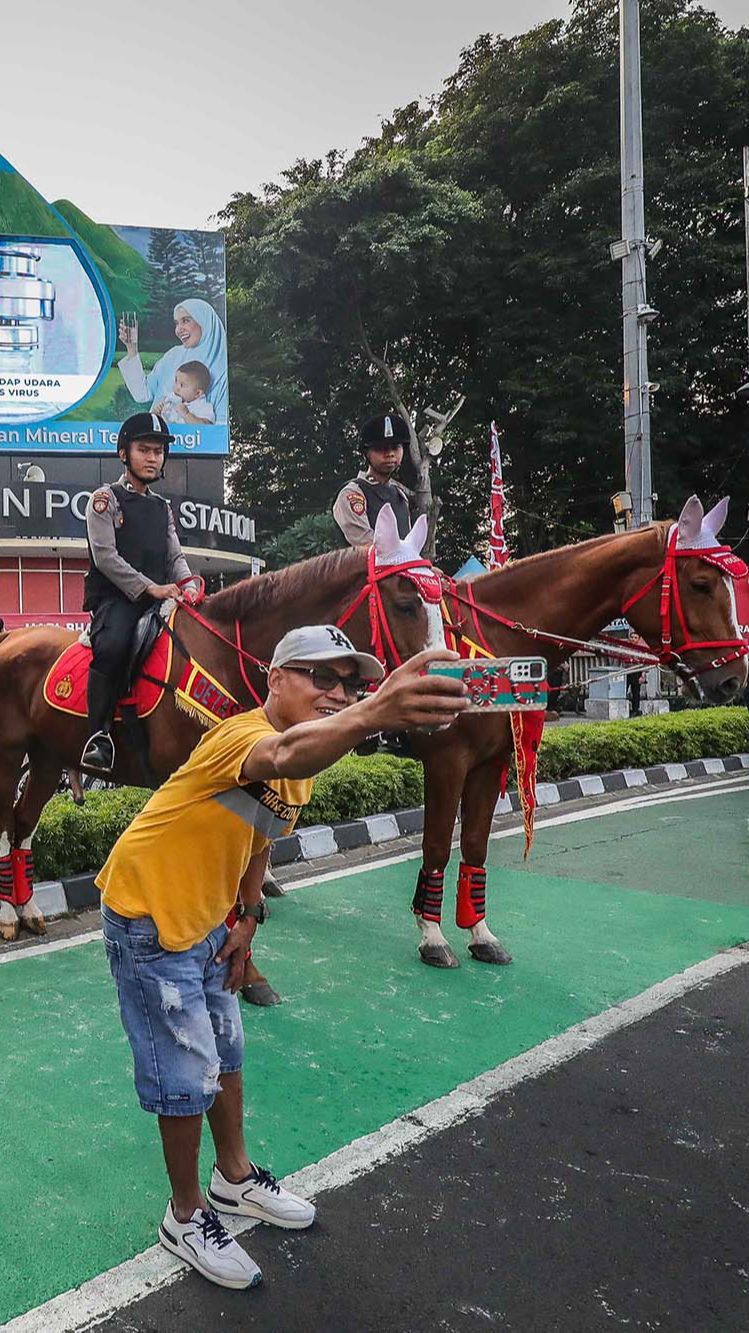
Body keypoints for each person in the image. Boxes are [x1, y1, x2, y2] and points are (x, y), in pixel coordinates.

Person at [97, 626, 467, 1290]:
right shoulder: (245, 737)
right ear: (274, 678)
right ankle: (184, 1215)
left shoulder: (304, 763)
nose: (336, 692)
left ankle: (233, 1177)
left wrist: (246, 916)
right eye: (318, 677)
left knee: (227, 1055)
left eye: (348, 682)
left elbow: (260, 831)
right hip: (150, 916)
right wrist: (375, 709)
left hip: (212, 921)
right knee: (185, 1073)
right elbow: (284, 753)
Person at [81, 412, 196, 774]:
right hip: (117, 600)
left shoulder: (162, 508)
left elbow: (174, 555)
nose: (152, 458)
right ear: (123, 453)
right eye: (144, 449)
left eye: (158, 451)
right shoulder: (104, 500)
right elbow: (105, 557)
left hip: (161, 596)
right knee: (114, 645)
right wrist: (150, 587)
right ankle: (98, 736)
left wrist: (190, 586)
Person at [118, 299, 228, 424]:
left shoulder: (223, 371)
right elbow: (142, 394)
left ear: (205, 322)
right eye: (176, 323)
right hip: (157, 440)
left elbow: (220, 429)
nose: (179, 329)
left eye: (186, 321)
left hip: (196, 441)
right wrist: (131, 348)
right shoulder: (173, 356)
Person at [333, 411, 413, 546]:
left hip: (402, 565)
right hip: (367, 567)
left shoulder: (400, 495)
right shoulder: (353, 493)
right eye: (381, 448)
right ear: (366, 453)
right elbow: (368, 545)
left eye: (395, 447)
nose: (390, 454)